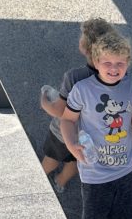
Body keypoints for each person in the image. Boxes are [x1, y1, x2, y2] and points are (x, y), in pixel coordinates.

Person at [60, 30, 132, 219]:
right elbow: (67, 119)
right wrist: (72, 145)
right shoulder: (82, 89)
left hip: (127, 170)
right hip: (95, 174)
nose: (114, 68)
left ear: (128, 63)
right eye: (107, 63)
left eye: (120, 63)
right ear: (96, 63)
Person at [40, 18, 115, 193]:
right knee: (75, 160)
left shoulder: (74, 77)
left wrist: (44, 101)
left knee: (52, 157)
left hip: (63, 134)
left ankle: (39, 180)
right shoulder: (116, 77)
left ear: (85, 47)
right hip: (90, 137)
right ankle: (60, 181)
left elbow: (59, 110)